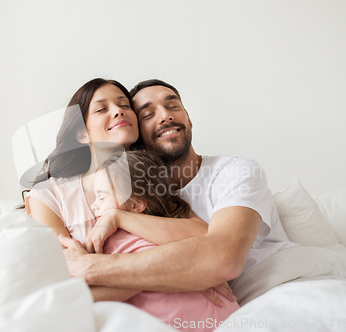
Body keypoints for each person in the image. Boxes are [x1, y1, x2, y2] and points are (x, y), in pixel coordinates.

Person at [59, 79, 297, 298]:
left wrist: (90, 266)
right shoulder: (137, 199)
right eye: (149, 114)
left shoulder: (236, 171)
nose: (165, 116)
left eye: (173, 106)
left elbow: (225, 258)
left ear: (188, 118)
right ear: (136, 133)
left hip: (283, 286)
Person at [23, 78, 235, 305]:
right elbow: (64, 287)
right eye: (102, 109)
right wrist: (177, 274)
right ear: (81, 134)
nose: (118, 111)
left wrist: (118, 217)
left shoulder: (149, 177)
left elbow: (202, 236)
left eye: (125, 105)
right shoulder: (49, 195)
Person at [89, 150, 240, 331]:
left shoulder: (113, 236)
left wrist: (116, 217)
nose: (93, 205)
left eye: (102, 197)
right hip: (227, 316)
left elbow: (206, 236)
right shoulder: (165, 226)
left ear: (136, 204)